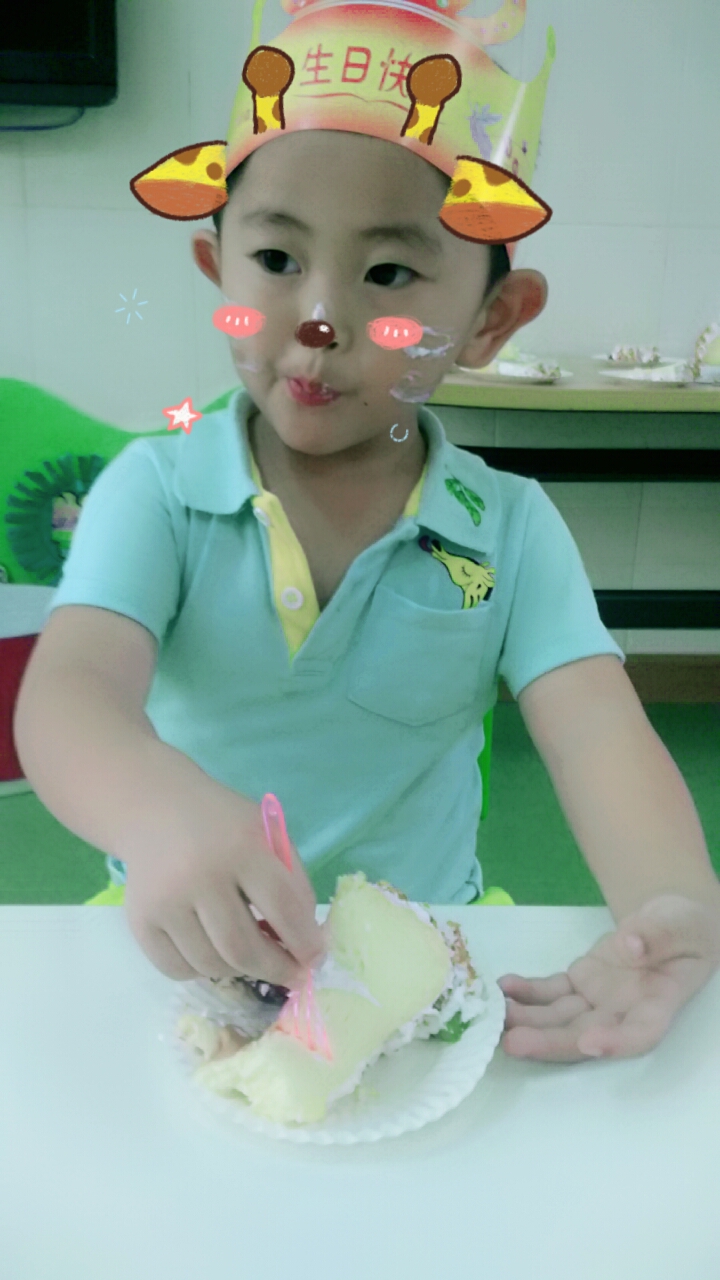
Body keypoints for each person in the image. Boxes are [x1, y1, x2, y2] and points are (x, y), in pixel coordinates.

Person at [14, 50, 720, 1069]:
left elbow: (597, 735)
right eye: (276, 258)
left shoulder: (510, 527)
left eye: (388, 273)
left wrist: (671, 908)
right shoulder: (155, 491)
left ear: (490, 320)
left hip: (423, 959)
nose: (320, 320)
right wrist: (156, 809)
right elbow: (70, 695)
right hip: (180, 945)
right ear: (216, 267)